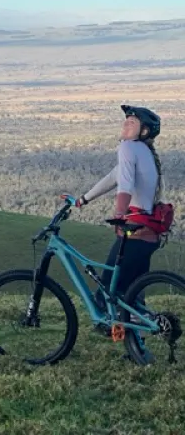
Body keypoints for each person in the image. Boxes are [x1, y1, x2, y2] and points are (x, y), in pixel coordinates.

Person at [75, 104, 164, 309]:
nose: (126, 123)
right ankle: (139, 335)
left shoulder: (128, 147)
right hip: (149, 234)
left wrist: (119, 213)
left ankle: (117, 326)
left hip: (135, 233)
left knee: (107, 290)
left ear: (144, 131)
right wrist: (84, 199)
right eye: (126, 120)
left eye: (132, 122)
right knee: (133, 292)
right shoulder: (143, 152)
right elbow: (112, 178)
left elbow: (125, 184)